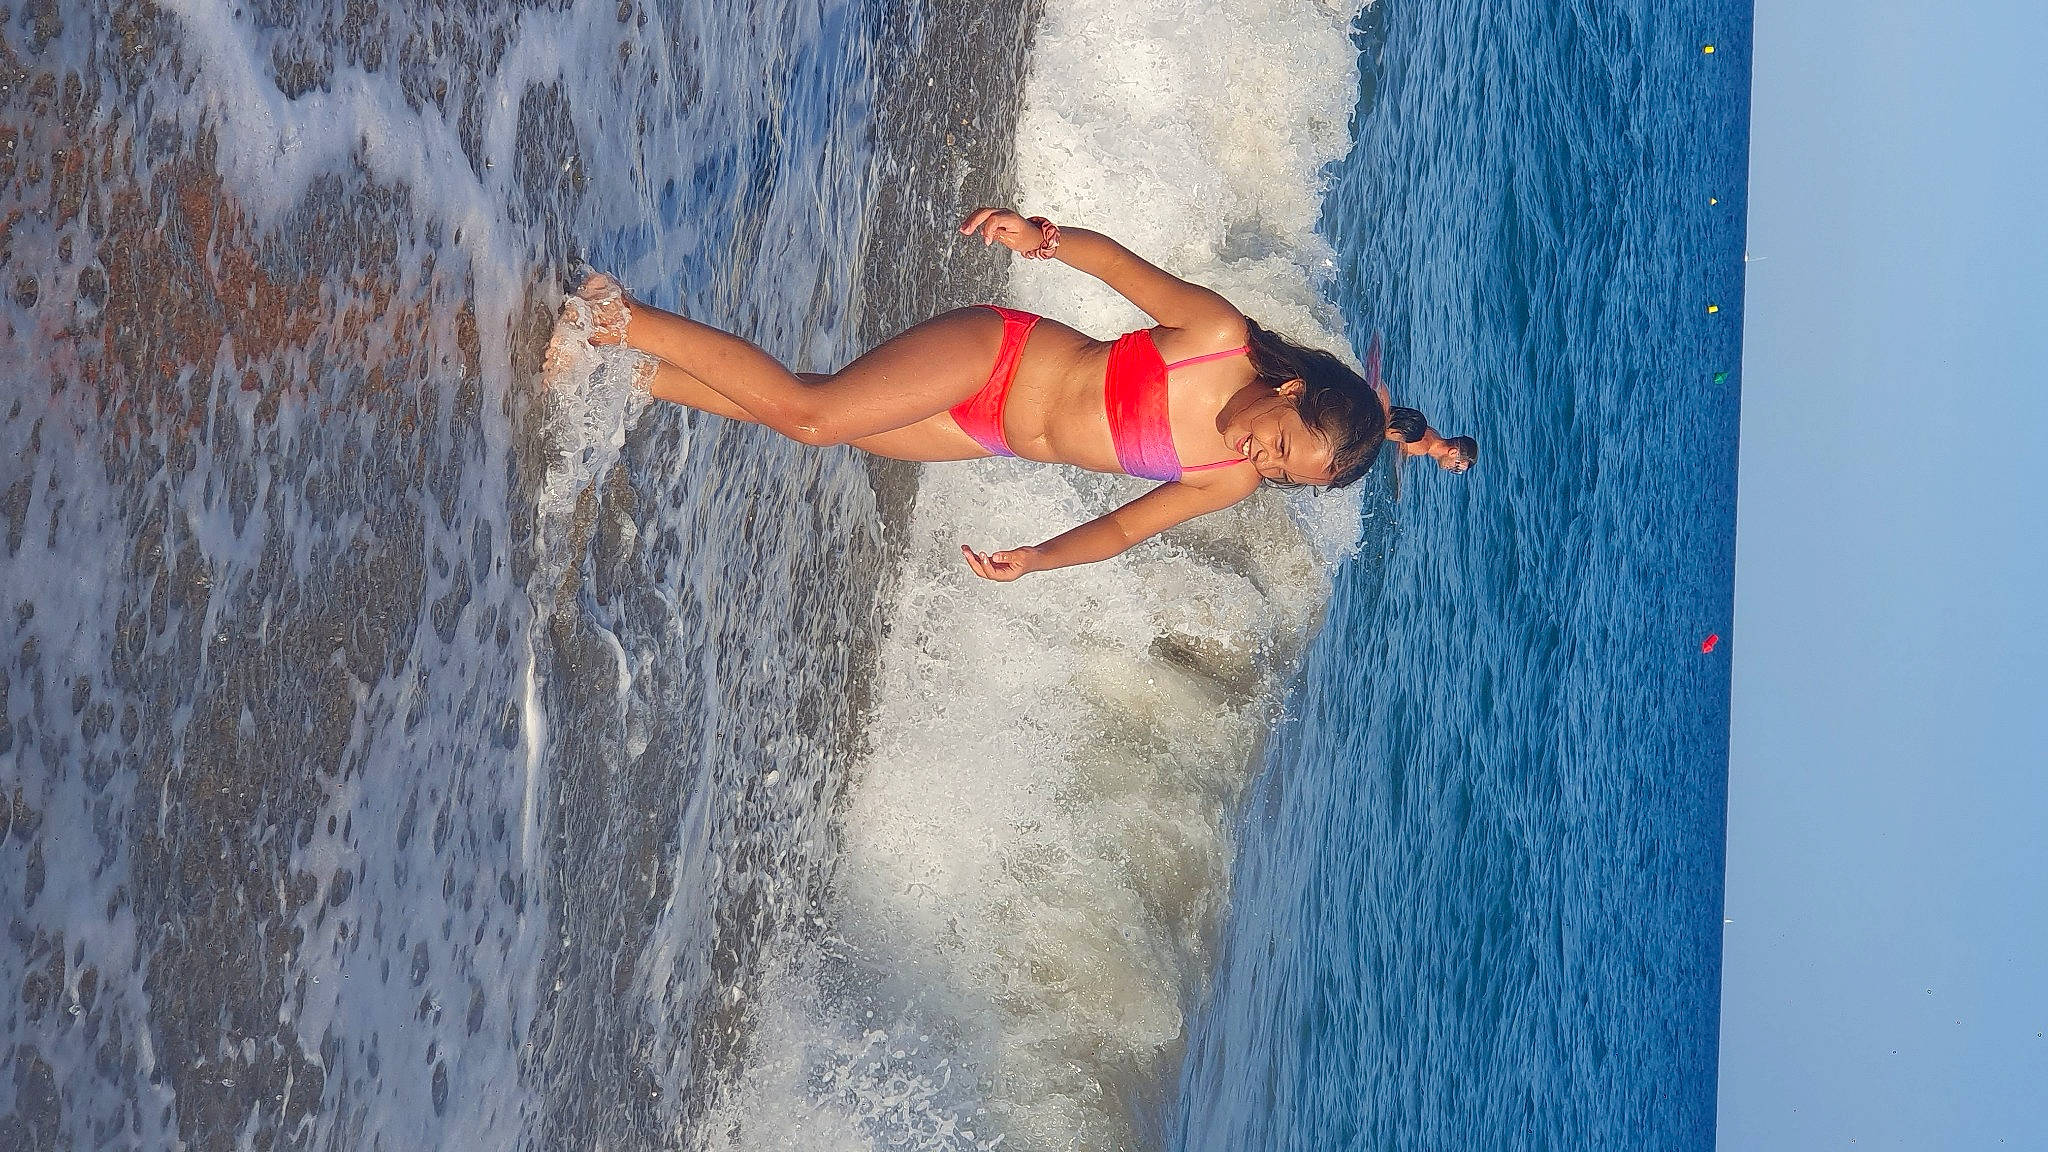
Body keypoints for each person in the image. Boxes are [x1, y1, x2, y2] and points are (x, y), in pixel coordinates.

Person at [566, 208, 1388, 581]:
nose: (1262, 461)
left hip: (980, 432)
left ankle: (635, 369)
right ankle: (614, 315)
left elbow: (1124, 529)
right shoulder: (1215, 337)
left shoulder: (1228, 479)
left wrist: (1038, 559)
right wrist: (1042, 239)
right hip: (995, 353)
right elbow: (1117, 266)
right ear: (1290, 387)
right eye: (1280, 444)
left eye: (1282, 475)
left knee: (806, 407)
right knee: (812, 418)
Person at [1385, 406, 1478, 473]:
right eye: (1457, 468)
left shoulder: (1434, 433)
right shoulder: (1423, 447)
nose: (1451, 469)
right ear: (1453, 452)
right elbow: (1391, 447)